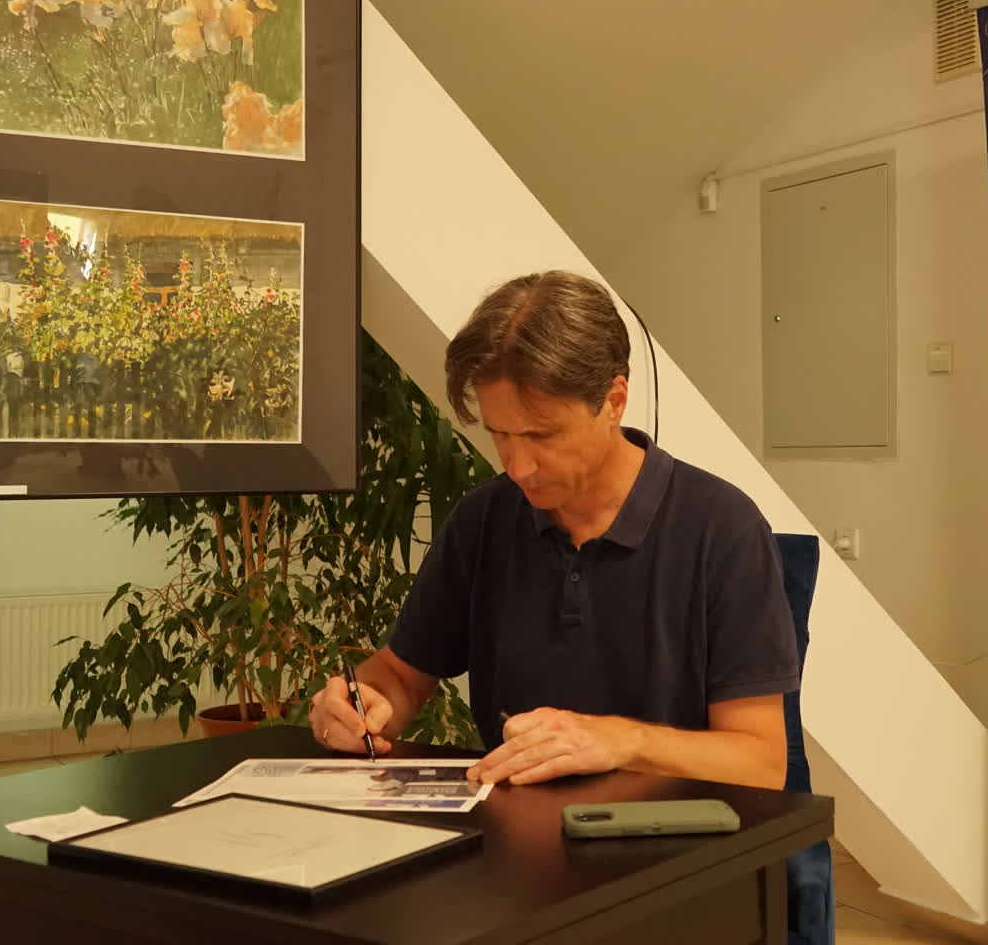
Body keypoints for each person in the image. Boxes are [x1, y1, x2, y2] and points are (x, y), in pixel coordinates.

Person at [309, 270, 799, 789]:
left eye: (543, 436)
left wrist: (620, 742)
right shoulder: (483, 519)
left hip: (675, 830)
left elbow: (761, 763)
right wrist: (361, 704)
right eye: (501, 435)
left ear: (613, 401)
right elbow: (400, 675)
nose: (519, 467)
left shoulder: (723, 529)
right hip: (511, 825)